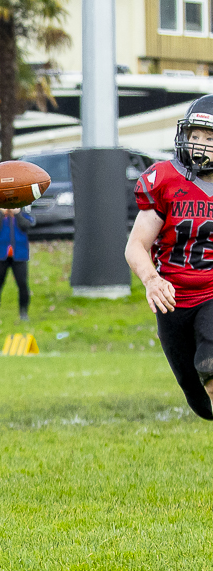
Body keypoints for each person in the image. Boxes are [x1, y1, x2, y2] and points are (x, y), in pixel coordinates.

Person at [125, 94, 213, 421]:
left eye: (209, 138)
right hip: (172, 300)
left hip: (211, 291)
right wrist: (151, 279)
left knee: (210, 362)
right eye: (194, 137)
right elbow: (136, 245)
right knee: (196, 394)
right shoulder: (165, 180)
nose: (199, 145)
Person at [0, 207, 35, 321]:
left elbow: (26, 225)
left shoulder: (22, 215)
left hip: (19, 255)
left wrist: (17, 213)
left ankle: (23, 312)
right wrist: (1, 213)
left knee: (22, 283)